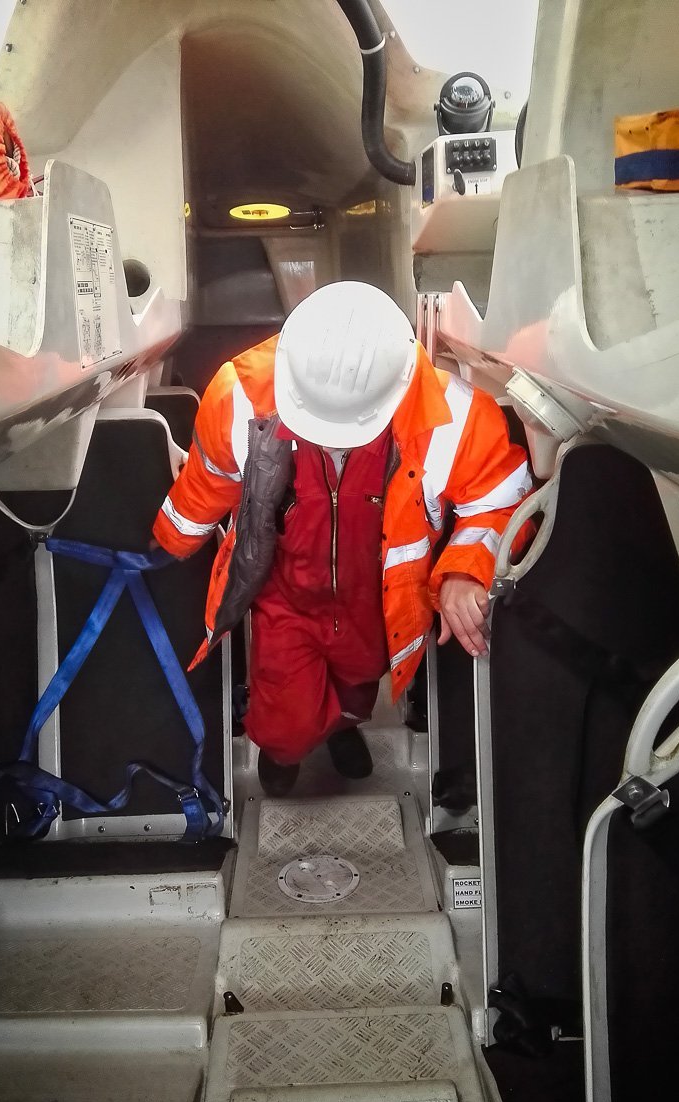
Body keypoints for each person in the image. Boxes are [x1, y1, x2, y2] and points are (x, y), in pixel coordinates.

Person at [152, 281, 531, 796]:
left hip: (376, 601)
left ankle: (341, 726)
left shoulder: (456, 415)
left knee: (358, 688)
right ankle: (284, 748)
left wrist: (465, 570)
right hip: (285, 595)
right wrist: (171, 540)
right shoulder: (239, 393)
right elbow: (210, 478)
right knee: (284, 715)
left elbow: (500, 500)